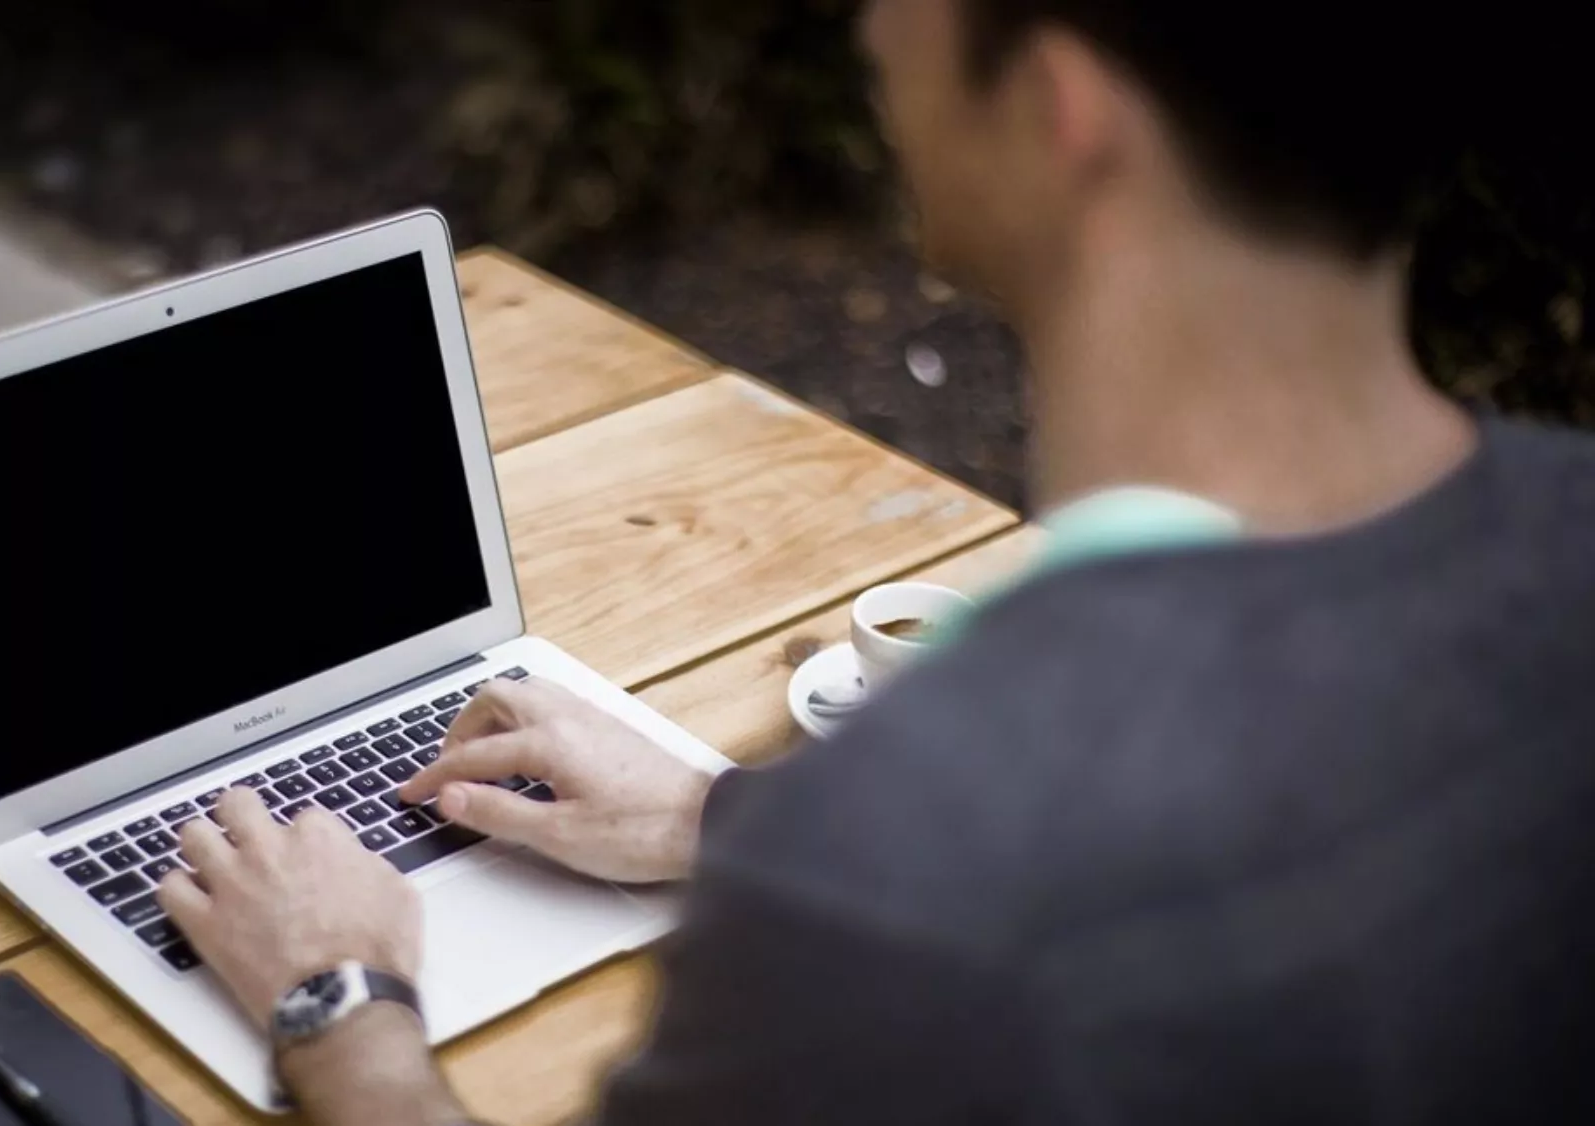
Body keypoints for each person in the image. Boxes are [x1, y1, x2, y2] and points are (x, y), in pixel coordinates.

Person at [156, 0, 1595, 1122]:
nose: (863, 29)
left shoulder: (920, 861)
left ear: (1060, 100)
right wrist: (729, 820)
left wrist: (339, 1002)